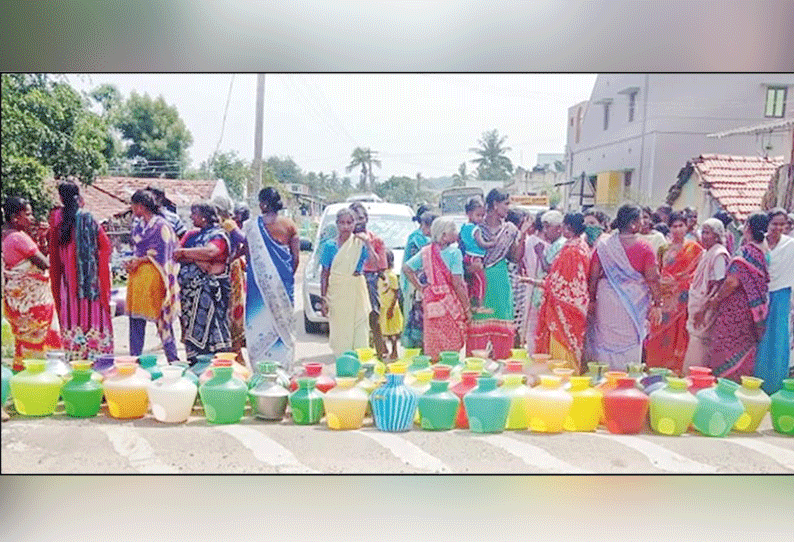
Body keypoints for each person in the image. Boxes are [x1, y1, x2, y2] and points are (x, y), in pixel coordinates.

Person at [588, 204, 662, 370]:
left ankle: (601, 377)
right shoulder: (644, 248)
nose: (643, 222)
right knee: (629, 342)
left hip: (606, 297)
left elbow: (593, 275)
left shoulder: (604, 244)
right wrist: (658, 304)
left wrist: (592, 300)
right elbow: (653, 279)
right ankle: (626, 381)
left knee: (604, 339)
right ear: (633, 224)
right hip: (633, 302)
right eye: (641, 219)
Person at [699, 212, 770, 382]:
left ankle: (724, 386)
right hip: (750, 313)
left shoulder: (744, 254)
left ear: (748, 229)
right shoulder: (762, 254)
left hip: (734, 313)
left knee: (725, 348)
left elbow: (731, 282)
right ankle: (739, 387)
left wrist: (714, 301)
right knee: (743, 349)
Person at [49, 181, 114, 361]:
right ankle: (98, 358)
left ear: (61, 198)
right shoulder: (89, 218)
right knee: (95, 315)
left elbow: (53, 251)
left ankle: (75, 357)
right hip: (91, 285)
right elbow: (105, 246)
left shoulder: (56, 218)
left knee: (71, 315)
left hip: (67, 283)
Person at [466, 189, 530, 360]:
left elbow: (515, 258)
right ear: (495, 204)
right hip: (480, 283)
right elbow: (462, 257)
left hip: (501, 281)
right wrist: (469, 269)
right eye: (506, 203)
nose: (508, 208)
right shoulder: (475, 229)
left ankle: (502, 368)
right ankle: (475, 369)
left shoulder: (510, 229)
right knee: (478, 325)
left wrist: (522, 235)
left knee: (502, 326)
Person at [244, 187, 300, 372]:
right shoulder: (289, 225)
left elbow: (249, 256)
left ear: (262, 203)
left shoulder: (252, 226)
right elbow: (295, 258)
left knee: (259, 323)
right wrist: (282, 280)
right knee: (282, 325)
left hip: (258, 286)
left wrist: (261, 277)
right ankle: (282, 370)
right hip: (282, 284)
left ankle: (261, 371)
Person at [2, 197, 61, 370]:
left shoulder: (6, 235)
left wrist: (39, 239)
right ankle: (40, 371)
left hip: (16, 301)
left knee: (22, 339)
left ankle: (22, 371)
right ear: (15, 217)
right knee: (38, 336)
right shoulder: (18, 238)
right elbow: (45, 264)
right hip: (32, 300)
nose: (32, 218)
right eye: (27, 214)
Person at [528, 212, 591, 372]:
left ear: (568, 228)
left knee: (562, 343)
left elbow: (560, 282)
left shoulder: (570, 250)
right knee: (573, 344)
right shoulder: (582, 246)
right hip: (578, 304)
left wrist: (538, 283)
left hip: (564, 307)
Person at [403, 217, 470, 361]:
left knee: (434, 343)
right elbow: (457, 284)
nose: (456, 233)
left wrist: (421, 288)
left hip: (431, 303)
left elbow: (407, 268)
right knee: (451, 342)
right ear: (444, 235)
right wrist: (467, 308)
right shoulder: (454, 254)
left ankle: (435, 373)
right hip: (450, 303)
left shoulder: (426, 252)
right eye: (453, 230)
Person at [125, 190, 180, 362]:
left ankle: (173, 359)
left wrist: (141, 260)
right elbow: (137, 250)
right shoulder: (139, 227)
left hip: (156, 277)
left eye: (133, 205)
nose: (132, 208)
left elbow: (165, 253)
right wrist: (132, 262)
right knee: (135, 320)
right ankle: (135, 360)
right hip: (137, 278)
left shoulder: (161, 226)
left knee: (162, 319)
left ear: (140, 206)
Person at [645, 211, 704, 374]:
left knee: (680, 335)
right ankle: (656, 370)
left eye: (681, 226)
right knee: (657, 334)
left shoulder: (695, 249)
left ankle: (675, 372)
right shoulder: (664, 249)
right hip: (664, 299)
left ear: (686, 227)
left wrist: (679, 283)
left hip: (683, 302)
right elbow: (658, 271)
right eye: (674, 226)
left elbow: (697, 275)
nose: (677, 229)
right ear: (669, 228)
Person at [174, 202, 232, 363]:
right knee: (190, 329)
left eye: (195, 213)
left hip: (210, 292)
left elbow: (212, 252)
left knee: (214, 327)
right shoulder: (192, 235)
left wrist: (188, 253)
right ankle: (196, 364)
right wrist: (199, 260)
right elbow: (176, 254)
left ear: (205, 217)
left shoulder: (219, 235)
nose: (192, 217)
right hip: (189, 295)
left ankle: (217, 366)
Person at [320, 208, 379, 357]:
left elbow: (376, 263)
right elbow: (325, 273)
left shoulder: (359, 244)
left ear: (354, 224)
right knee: (340, 332)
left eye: (349, 223)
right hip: (337, 293)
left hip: (356, 291)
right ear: (337, 224)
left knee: (360, 329)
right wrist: (324, 298)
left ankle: (359, 367)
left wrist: (368, 243)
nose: (346, 226)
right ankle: (343, 365)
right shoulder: (329, 246)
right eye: (342, 223)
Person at [682, 218, 730, 372]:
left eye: (707, 233)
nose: (703, 236)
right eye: (703, 232)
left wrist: (703, 310)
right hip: (699, 304)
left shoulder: (719, 255)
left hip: (707, 308)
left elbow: (718, 285)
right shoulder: (707, 253)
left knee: (700, 347)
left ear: (717, 235)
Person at [755, 208, 794, 394]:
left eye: (782, 224)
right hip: (759, 296)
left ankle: (774, 385)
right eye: (774, 224)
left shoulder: (790, 246)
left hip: (781, 295)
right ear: (767, 224)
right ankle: (753, 381)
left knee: (777, 339)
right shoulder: (758, 243)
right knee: (758, 337)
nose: (778, 228)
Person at [349, 201, 389, 360]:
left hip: (369, 279)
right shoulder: (343, 240)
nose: (358, 222)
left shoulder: (376, 240)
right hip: (350, 280)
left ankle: (380, 352)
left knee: (373, 316)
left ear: (366, 218)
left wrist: (366, 243)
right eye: (354, 219)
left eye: (361, 218)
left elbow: (378, 265)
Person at [213, 195, 247, 365]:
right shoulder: (219, 224)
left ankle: (236, 354)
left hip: (230, 272)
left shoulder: (227, 224)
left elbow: (245, 241)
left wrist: (235, 255)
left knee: (232, 311)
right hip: (223, 271)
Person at [522, 209, 562, 353]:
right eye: (543, 227)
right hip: (540, 294)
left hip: (547, 293)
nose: (545, 231)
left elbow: (549, 268)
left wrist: (540, 254)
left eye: (548, 227)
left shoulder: (559, 245)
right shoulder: (537, 242)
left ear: (559, 228)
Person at [401, 209, 436, 350]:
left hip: (424, 282)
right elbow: (414, 264)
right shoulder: (417, 239)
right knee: (415, 316)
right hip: (416, 282)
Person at [459, 196, 496, 313]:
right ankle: (479, 304)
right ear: (469, 214)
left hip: (467, 257)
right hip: (475, 257)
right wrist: (491, 243)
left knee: (472, 281)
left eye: (482, 216)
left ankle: (471, 303)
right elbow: (481, 243)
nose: (481, 219)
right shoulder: (476, 229)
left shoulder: (464, 227)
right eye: (478, 215)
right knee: (481, 281)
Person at [506, 208, 530, 346]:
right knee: (513, 322)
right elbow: (515, 257)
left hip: (518, 282)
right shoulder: (512, 235)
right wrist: (522, 235)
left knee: (517, 321)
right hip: (513, 282)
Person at [378, 249, 403, 360]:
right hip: (382, 307)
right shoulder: (379, 275)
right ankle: (384, 348)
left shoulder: (391, 276)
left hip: (391, 308)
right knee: (382, 330)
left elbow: (396, 293)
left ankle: (394, 350)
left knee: (393, 332)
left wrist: (391, 309)